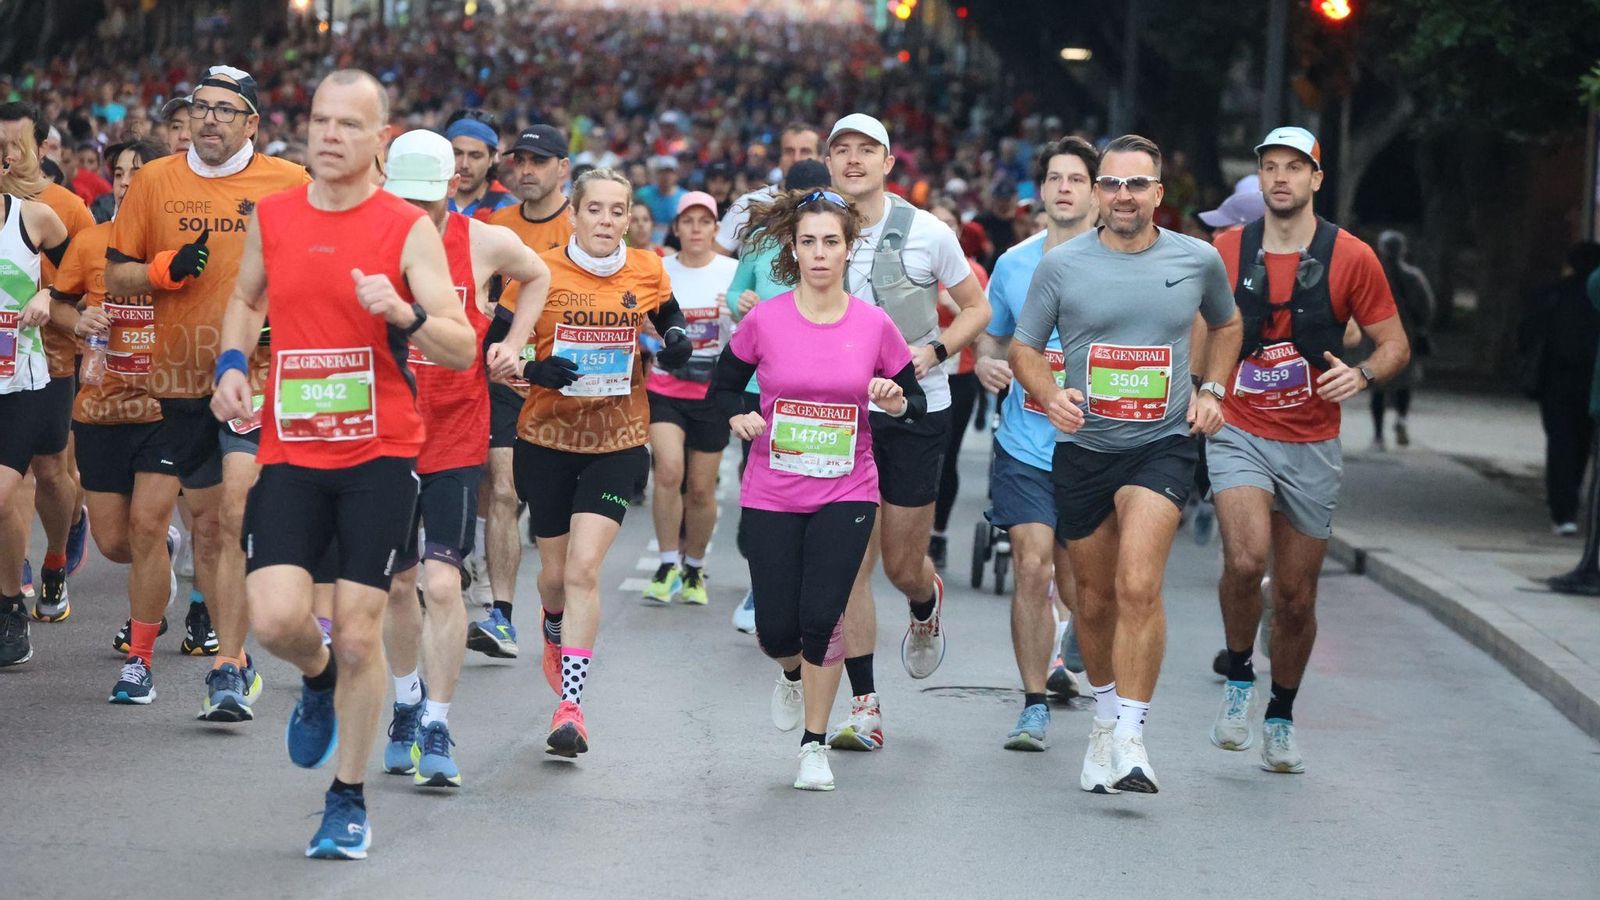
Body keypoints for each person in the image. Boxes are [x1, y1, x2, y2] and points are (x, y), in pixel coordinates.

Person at [210, 69, 478, 859]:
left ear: (380, 141)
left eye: (347, 125)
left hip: (381, 454)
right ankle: (317, 678)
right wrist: (232, 360)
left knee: (362, 634)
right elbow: (247, 299)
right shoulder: (275, 216)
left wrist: (406, 313)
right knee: (275, 618)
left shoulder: (405, 229)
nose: (328, 136)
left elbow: (460, 343)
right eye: (319, 121)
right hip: (292, 447)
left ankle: (346, 800)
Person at [1010, 134, 1242, 794]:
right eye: (1111, 184)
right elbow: (1027, 347)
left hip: (1162, 444)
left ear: (1158, 195)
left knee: (1140, 584)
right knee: (1096, 598)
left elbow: (1227, 326)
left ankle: (1133, 738)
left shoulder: (1195, 260)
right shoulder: (1062, 265)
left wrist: (1213, 390)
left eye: (1136, 185)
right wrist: (1050, 395)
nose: (1122, 196)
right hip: (1085, 448)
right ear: (1097, 192)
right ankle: (1106, 720)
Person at [105, 65, 311, 722]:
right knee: (190, 526)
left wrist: (287, 313)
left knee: (230, 515)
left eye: (227, 109)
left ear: (253, 122)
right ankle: (200, 655)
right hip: (177, 380)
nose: (212, 119)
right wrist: (161, 271)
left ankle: (229, 664)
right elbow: (117, 277)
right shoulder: (154, 180)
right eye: (202, 108)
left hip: (255, 374)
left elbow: (321, 264)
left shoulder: (289, 183)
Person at [1205, 127, 1407, 775]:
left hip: (1313, 440)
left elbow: (1394, 344)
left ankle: (1281, 715)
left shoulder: (1353, 258)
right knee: (1244, 559)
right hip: (1239, 427)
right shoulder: (1226, 250)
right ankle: (1239, 678)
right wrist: (1201, 390)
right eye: (1271, 167)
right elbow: (1197, 330)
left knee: (1295, 597)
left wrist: (1364, 375)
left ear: (1317, 179)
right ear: (1259, 178)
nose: (1282, 178)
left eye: (1296, 167)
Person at [709, 187, 925, 790]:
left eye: (832, 242)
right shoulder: (765, 320)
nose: (821, 253)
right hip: (773, 490)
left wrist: (893, 397)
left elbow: (916, 403)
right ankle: (790, 673)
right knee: (777, 630)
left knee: (822, 617)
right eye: (810, 242)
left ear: (849, 249)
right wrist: (739, 415)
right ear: (794, 250)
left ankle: (813, 744)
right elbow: (723, 387)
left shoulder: (875, 324)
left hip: (847, 491)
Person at [498, 167, 691, 757]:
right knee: (555, 576)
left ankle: (572, 707)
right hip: (546, 440)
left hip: (619, 440)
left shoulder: (648, 267)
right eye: (597, 210)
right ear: (575, 215)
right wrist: (533, 369)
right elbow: (497, 348)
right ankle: (551, 623)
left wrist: (677, 338)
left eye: (619, 210)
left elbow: (669, 317)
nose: (608, 221)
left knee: (584, 569)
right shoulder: (538, 271)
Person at [376, 128, 549, 787]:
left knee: (443, 582)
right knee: (397, 584)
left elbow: (538, 275)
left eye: (428, 199)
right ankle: (404, 703)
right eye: (404, 199)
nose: (416, 213)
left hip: (454, 427)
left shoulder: (482, 242)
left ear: (455, 187)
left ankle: (439, 724)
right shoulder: (374, 235)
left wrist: (516, 344)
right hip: (388, 431)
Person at [823, 113, 990, 751]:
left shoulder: (927, 233)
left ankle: (925, 602)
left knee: (900, 565)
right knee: (849, 566)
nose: (855, 160)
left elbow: (977, 309)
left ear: (889, 162)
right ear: (831, 161)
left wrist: (936, 351)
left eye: (868, 150)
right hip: (838, 414)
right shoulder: (813, 230)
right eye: (843, 150)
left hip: (919, 412)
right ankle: (865, 706)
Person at [47, 139, 200, 697]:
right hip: (99, 412)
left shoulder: (183, 245)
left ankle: (139, 662)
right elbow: (59, 303)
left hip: (166, 409)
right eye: (120, 172)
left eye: (141, 171)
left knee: (146, 525)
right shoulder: (89, 243)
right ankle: (161, 561)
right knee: (116, 543)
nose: (129, 180)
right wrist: (77, 317)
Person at [974, 137, 1099, 751]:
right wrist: (988, 365)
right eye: (1056, 177)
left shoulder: (1124, 263)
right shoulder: (1015, 264)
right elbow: (993, 341)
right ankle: (1031, 704)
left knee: (1080, 584)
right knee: (1031, 566)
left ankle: (1074, 629)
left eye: (1078, 178)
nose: (1066, 188)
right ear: (1042, 191)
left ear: (1098, 192)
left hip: (1096, 450)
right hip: (1026, 446)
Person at [467, 124, 573, 656]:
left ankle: (553, 605)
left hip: (567, 385)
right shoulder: (493, 225)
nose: (526, 170)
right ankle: (500, 614)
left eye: (539, 161)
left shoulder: (585, 224)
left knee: (538, 500)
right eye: (520, 160)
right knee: (503, 487)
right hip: (506, 376)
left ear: (562, 169)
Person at [723, 157, 833, 634]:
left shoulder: (836, 244)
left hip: (821, 386)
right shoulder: (763, 242)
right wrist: (741, 303)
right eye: (801, 196)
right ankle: (761, 582)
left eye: (819, 197)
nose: (810, 205)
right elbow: (734, 293)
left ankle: (813, 587)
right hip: (759, 386)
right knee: (763, 488)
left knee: (815, 486)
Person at [0, 101, 95, 628]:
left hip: (48, 361)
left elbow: (84, 279)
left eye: (15, 142)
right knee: (14, 486)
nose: (10, 151)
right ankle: (13, 584)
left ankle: (56, 555)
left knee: (52, 474)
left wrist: (50, 299)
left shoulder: (59, 206)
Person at [642, 191, 738, 604]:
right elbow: (639, 322)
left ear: (716, 229)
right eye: (689, 221)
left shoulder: (733, 272)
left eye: (705, 222)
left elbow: (752, 334)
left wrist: (735, 314)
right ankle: (666, 564)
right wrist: (656, 337)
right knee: (668, 470)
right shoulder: (658, 270)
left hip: (712, 392)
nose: (696, 229)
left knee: (700, 488)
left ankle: (694, 568)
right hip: (664, 387)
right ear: (676, 228)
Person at [0, 148, 71, 667]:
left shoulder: (32, 218)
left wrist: (49, 293)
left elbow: (88, 280)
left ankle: (27, 591)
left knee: (23, 488)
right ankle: (10, 603)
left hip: (20, 383)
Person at [926, 199, 986, 570]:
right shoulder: (912, 269)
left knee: (946, 459)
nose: (944, 229)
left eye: (950, 222)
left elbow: (984, 324)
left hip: (958, 377)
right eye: (936, 222)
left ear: (959, 232)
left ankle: (939, 534)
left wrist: (952, 301)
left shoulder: (973, 273)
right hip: (918, 373)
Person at [1526, 242, 1600, 534]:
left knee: (1560, 443)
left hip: (1555, 380)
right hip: (1590, 381)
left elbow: (1530, 333)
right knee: (1582, 444)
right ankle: (1570, 501)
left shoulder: (1555, 293)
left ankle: (1563, 509)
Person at [1368, 230, 1435, 451]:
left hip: (1377, 339)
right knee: (1404, 383)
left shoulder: (1370, 276)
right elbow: (1427, 308)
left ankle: (1378, 435)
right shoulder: (1414, 277)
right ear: (1403, 250)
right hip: (1406, 337)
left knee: (1377, 386)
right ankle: (1401, 420)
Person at [716, 122, 822, 255]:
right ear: (779, 158)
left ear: (821, 158)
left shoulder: (835, 204)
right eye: (789, 152)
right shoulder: (750, 204)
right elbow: (714, 261)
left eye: (805, 151)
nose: (796, 159)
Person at [446, 113, 516, 221]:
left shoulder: (510, 210)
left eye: (475, 156)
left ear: (492, 158)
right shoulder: (427, 202)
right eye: (457, 153)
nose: (464, 165)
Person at [635, 155, 686, 245]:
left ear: (676, 175)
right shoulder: (643, 194)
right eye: (663, 172)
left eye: (670, 172)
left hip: (675, 244)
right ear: (657, 174)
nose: (666, 176)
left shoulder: (685, 197)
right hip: (646, 243)